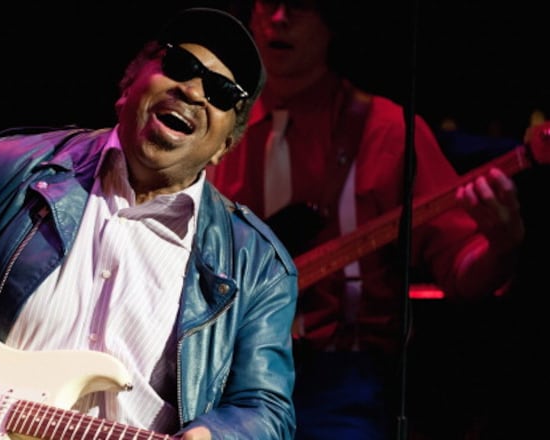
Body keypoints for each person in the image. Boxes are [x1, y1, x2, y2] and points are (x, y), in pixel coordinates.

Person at [0, 7, 298, 440]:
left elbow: (265, 409)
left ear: (225, 145)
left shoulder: (258, 265)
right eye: (180, 66)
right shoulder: (7, 167)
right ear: (130, 81)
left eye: (220, 92)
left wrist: (215, 436)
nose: (192, 90)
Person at [207, 1, 525, 439]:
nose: (279, 18)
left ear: (332, 19)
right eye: (268, 2)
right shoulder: (211, 121)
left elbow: (462, 272)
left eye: (298, 5)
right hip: (219, 368)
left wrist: (501, 245)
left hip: (341, 378)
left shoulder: (387, 129)